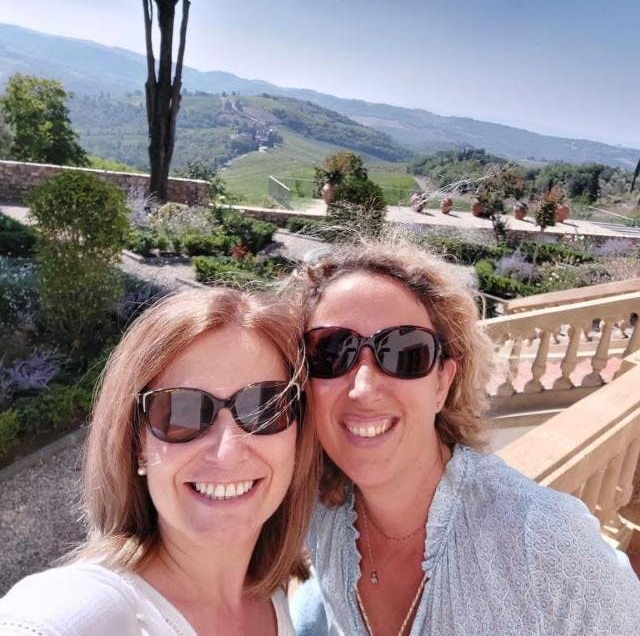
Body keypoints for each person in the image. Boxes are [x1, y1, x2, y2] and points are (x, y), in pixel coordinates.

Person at [284, 237, 640, 635]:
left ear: (442, 383)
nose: (364, 388)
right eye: (331, 352)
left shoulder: (545, 542)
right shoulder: (321, 513)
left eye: (404, 352)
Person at [0, 287, 319, 635]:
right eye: (183, 412)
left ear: (299, 435)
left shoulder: (281, 597)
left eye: (264, 408)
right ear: (137, 442)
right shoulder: (96, 610)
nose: (227, 452)